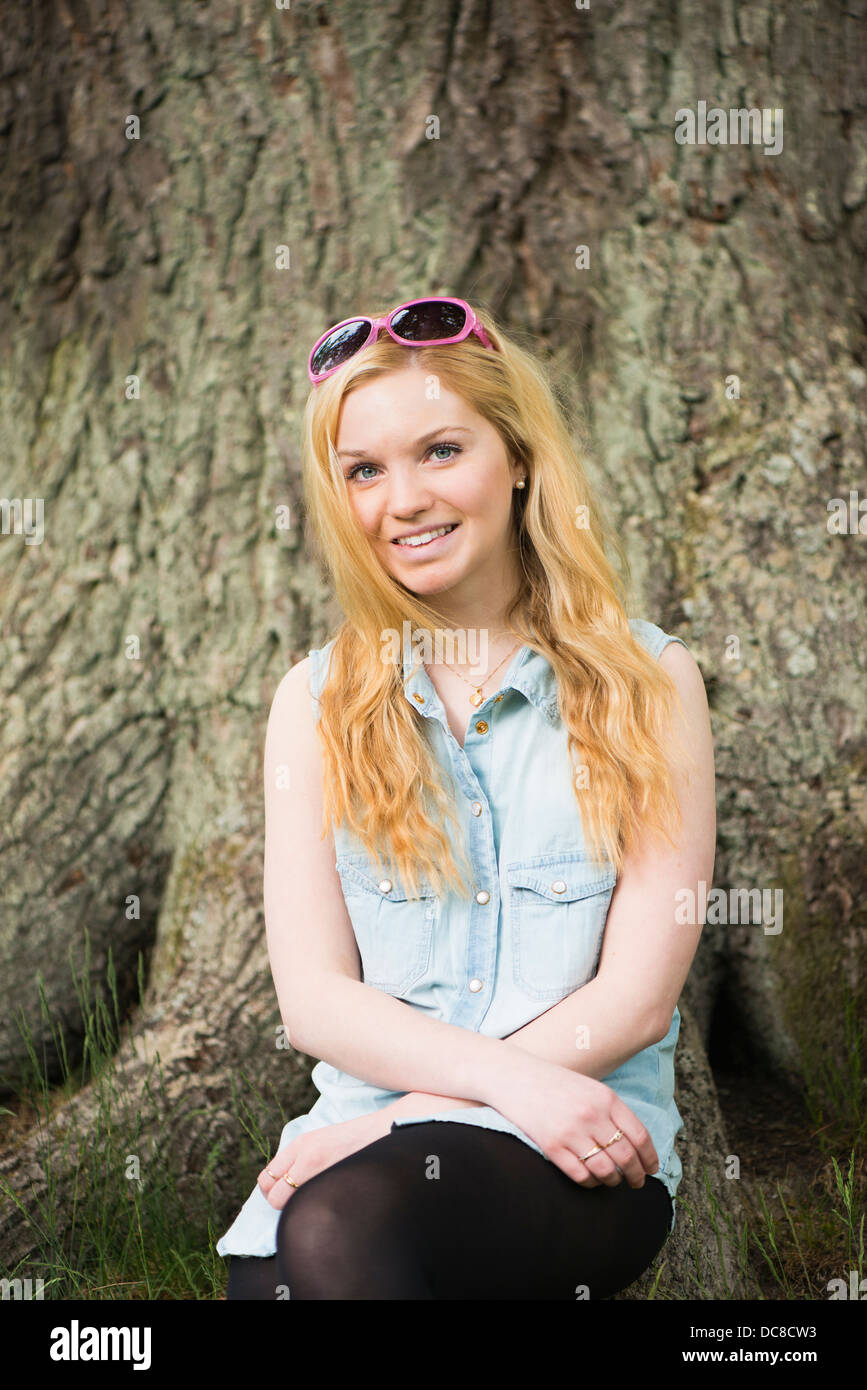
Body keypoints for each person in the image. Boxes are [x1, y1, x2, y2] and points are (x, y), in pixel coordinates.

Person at [216, 296, 716, 1299]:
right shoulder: (314, 704)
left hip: (578, 1141)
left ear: (519, 455)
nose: (401, 501)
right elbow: (314, 1000)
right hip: (347, 1147)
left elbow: (638, 994)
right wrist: (425, 1107)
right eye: (365, 470)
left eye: (440, 450)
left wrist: (410, 1118)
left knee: (339, 1239)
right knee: (288, 1277)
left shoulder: (652, 683)